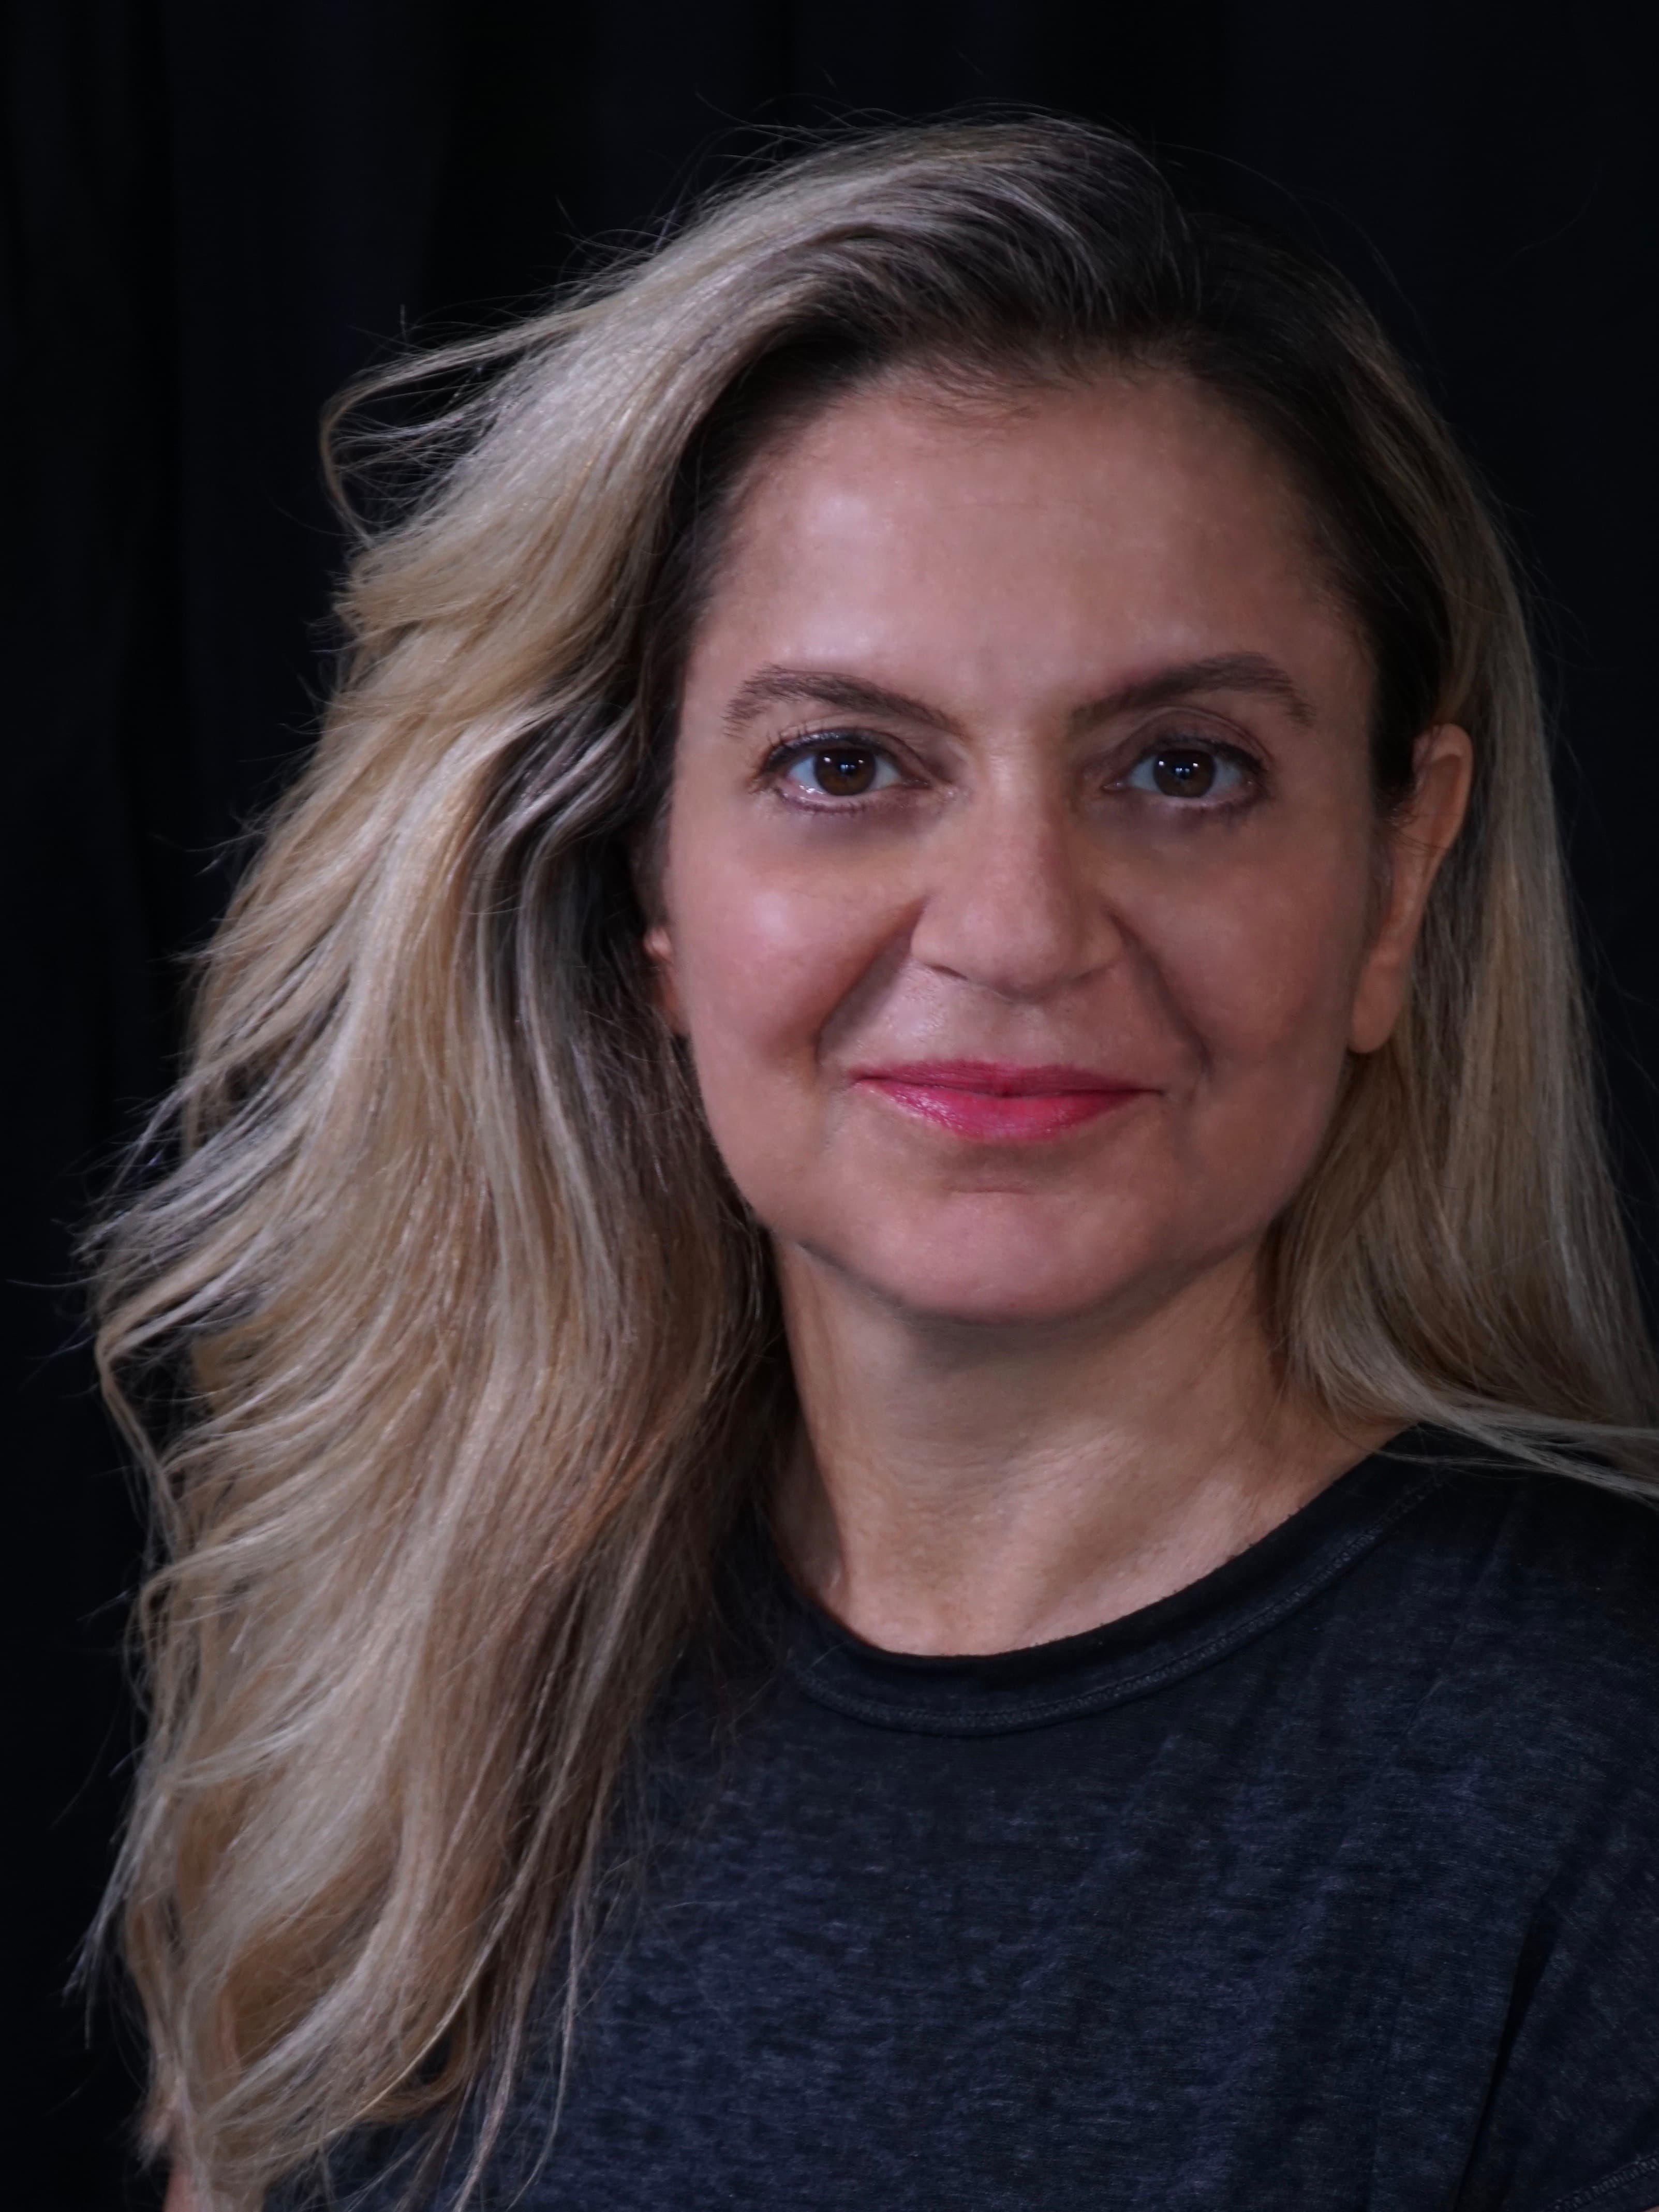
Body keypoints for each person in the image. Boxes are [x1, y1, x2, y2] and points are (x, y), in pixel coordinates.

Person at [97, 119, 1659, 2211]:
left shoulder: (1598, 1776)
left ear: (1397, 877)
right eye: (843, 763)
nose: (1015, 927)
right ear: (645, 888)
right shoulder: (405, 1717)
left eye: (1182, 768)